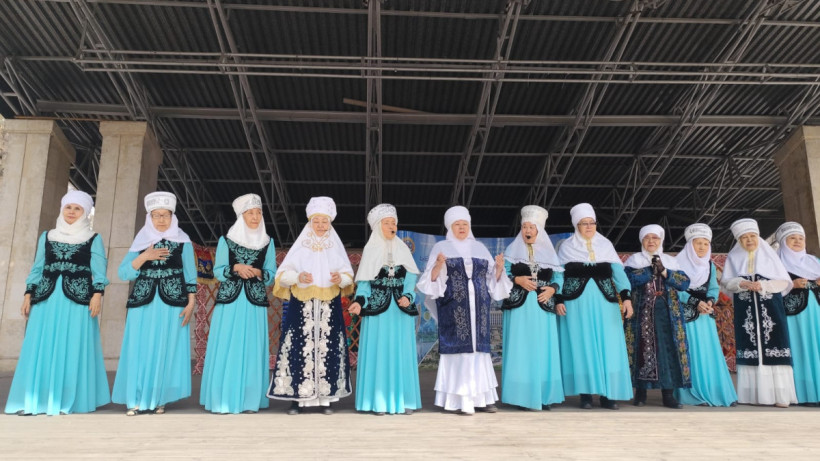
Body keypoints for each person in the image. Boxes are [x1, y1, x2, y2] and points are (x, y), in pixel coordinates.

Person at [5, 191, 110, 415]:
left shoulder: (93, 238)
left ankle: (64, 401)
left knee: (71, 346)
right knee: (40, 346)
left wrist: (97, 295)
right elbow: (37, 267)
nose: (71, 212)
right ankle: (34, 400)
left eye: (77, 208)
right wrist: (28, 294)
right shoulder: (48, 236)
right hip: (46, 299)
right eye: (68, 207)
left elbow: (100, 271)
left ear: (85, 213)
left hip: (78, 300)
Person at [417, 206, 512, 415]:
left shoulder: (480, 248)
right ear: (450, 227)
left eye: (465, 224)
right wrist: (438, 265)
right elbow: (430, 282)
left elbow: (493, 282)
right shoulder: (441, 247)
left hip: (479, 309)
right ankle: (458, 401)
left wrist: (498, 268)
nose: (462, 228)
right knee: (459, 351)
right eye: (457, 224)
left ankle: (482, 399)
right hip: (453, 308)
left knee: (479, 352)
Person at [112, 192, 197, 416]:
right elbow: (123, 273)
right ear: (149, 217)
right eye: (156, 215)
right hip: (143, 302)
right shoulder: (141, 241)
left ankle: (160, 399)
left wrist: (191, 303)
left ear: (172, 216)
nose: (161, 219)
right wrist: (144, 257)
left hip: (173, 303)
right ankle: (135, 399)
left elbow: (190, 275)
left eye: (165, 215)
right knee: (139, 348)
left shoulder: (183, 241)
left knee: (165, 349)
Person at [268, 196, 354, 415]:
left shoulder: (335, 246)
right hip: (302, 306)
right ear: (310, 222)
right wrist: (298, 277)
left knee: (328, 349)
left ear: (330, 222)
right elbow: (282, 275)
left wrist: (340, 279)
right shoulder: (301, 246)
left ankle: (326, 400)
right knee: (298, 348)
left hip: (329, 306)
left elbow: (348, 276)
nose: (321, 225)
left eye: (325, 221)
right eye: (317, 221)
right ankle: (297, 400)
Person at [200, 194, 277, 413]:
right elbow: (218, 271)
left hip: (254, 303)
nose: (255, 217)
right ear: (241, 215)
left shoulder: (268, 242)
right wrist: (236, 268)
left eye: (259, 212)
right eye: (250, 213)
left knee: (252, 349)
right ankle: (223, 399)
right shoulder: (227, 240)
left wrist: (259, 272)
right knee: (227, 345)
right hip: (230, 302)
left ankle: (249, 401)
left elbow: (272, 275)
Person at [556, 203, 633, 410]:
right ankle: (586, 394)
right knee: (582, 346)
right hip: (576, 306)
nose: (589, 226)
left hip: (605, 305)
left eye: (592, 222)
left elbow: (619, 274)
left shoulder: (605, 245)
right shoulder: (566, 247)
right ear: (576, 225)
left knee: (609, 347)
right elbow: (559, 276)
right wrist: (559, 299)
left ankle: (609, 395)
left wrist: (626, 298)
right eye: (584, 223)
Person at [347, 204, 421, 415]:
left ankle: (404, 400)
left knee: (401, 353)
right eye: (387, 223)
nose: (391, 226)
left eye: (393, 223)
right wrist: (359, 302)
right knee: (378, 354)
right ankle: (377, 401)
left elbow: (411, 279)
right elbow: (364, 284)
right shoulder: (370, 250)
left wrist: (408, 296)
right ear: (378, 227)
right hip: (377, 312)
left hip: (400, 311)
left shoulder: (403, 249)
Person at [722, 218, 796, 407]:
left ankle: (780, 396)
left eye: (752, 236)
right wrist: (741, 283)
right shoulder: (733, 257)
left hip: (771, 310)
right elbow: (726, 283)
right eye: (744, 237)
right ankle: (752, 396)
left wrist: (762, 285)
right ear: (739, 240)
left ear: (758, 237)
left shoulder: (769, 255)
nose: (749, 240)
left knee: (776, 348)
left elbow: (784, 282)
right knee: (750, 350)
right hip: (746, 312)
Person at [500, 205, 565, 411]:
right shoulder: (511, 251)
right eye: (524, 227)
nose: (527, 230)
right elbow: (502, 274)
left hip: (542, 307)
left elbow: (559, 277)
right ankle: (523, 396)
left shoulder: (549, 253)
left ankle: (544, 396)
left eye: (531, 227)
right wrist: (517, 279)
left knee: (543, 349)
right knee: (521, 349)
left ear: (539, 230)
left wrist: (553, 289)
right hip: (519, 307)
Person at [624, 224, 691, 409]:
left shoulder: (670, 261)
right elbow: (627, 280)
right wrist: (649, 270)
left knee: (668, 351)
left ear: (661, 240)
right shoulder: (634, 260)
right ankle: (641, 393)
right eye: (647, 238)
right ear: (642, 241)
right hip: (641, 314)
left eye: (655, 238)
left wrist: (664, 271)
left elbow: (685, 283)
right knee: (642, 350)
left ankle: (668, 395)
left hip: (669, 315)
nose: (651, 241)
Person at [673, 223, 738, 407]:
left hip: (705, 317)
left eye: (705, 243)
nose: (702, 247)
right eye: (698, 243)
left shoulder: (709, 265)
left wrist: (710, 301)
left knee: (709, 354)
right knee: (690, 353)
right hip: (685, 316)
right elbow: (674, 289)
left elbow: (713, 288)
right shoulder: (676, 264)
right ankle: (692, 395)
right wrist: (695, 302)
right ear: (689, 244)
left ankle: (716, 393)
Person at [776, 221, 820, 406]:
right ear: (783, 242)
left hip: (816, 312)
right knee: (800, 348)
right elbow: (769, 289)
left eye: (801, 238)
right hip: (793, 315)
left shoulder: (814, 261)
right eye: (792, 238)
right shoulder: (776, 263)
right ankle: (805, 394)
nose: (797, 241)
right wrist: (791, 285)